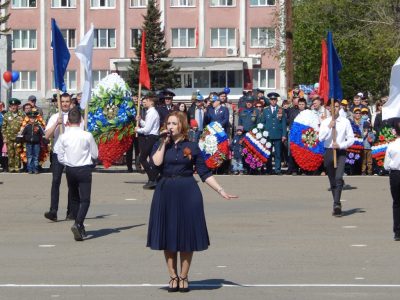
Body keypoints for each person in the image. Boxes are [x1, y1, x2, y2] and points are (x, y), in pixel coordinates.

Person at [147, 111, 237, 293]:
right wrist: (163, 143)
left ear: (182, 125)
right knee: (168, 235)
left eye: (173, 123)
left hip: (188, 191)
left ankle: (184, 276)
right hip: (166, 191)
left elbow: (204, 173)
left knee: (186, 237)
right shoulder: (161, 143)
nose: (170, 127)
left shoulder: (193, 147)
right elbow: (155, 164)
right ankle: (172, 276)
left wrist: (221, 191)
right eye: (168, 123)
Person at [54, 107, 98, 241]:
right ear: (80, 120)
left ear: (68, 121)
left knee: (74, 197)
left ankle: (80, 224)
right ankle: (78, 222)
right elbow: (95, 154)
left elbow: (58, 154)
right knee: (85, 199)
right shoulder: (87, 135)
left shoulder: (63, 136)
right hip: (84, 168)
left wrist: (66, 161)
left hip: (70, 169)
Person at [44, 93, 78, 221]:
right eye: (62, 101)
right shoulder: (54, 117)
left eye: (67, 101)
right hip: (58, 153)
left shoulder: (76, 116)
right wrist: (57, 124)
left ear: (71, 102)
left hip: (72, 154)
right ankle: (53, 211)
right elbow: (47, 136)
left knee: (72, 183)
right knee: (55, 181)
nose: (64, 103)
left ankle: (71, 212)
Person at [319, 99, 354, 217]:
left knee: (339, 177)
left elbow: (351, 139)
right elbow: (321, 138)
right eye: (333, 106)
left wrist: (340, 145)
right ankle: (336, 203)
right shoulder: (325, 122)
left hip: (340, 152)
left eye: (337, 106)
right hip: (329, 151)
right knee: (332, 180)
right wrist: (329, 126)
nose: (335, 109)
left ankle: (337, 203)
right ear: (329, 108)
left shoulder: (345, 122)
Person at [135, 95, 160, 189]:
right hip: (151, 137)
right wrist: (140, 120)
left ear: (151, 102)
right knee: (149, 159)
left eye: (145, 101)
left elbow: (147, 129)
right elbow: (147, 125)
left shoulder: (152, 113)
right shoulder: (150, 112)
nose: (143, 102)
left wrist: (138, 130)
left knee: (142, 158)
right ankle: (152, 179)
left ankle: (153, 178)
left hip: (151, 137)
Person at [262, 92, 287, 175]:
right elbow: (263, 123)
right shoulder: (265, 110)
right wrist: (262, 134)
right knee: (268, 153)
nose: (273, 101)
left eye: (274, 100)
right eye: (272, 100)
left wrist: (284, 135)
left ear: (277, 100)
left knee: (278, 153)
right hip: (268, 135)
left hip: (278, 134)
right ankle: (269, 169)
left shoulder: (281, 110)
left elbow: (283, 123)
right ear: (269, 100)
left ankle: (277, 170)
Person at [384, 119, 400, 241]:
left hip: (395, 174)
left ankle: (397, 231)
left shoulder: (391, 145)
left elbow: (386, 165)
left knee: (397, 203)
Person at [2, 98, 24, 173]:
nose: (13, 107)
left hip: (18, 138)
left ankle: (17, 167)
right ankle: (11, 167)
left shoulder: (22, 114)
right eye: (12, 106)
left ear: (18, 106)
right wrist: (4, 137)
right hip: (9, 137)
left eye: (15, 105)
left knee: (17, 153)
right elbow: (3, 127)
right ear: (10, 106)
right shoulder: (6, 115)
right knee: (10, 153)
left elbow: (24, 126)